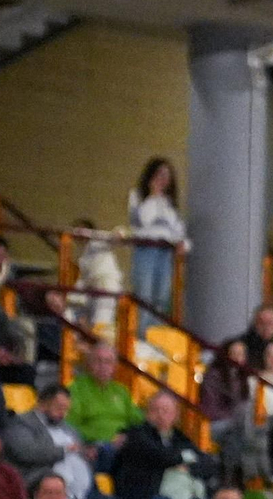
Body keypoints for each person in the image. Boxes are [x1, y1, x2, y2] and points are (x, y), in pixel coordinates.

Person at [4, 384, 129, 499]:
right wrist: (64, 450)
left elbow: (79, 451)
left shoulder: (68, 428)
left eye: (66, 409)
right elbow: (26, 452)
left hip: (81, 491)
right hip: (45, 489)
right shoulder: (22, 423)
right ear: (42, 404)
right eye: (59, 407)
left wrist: (87, 454)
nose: (62, 413)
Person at [112, 392, 209, 499]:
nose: (160, 415)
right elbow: (160, 456)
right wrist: (183, 459)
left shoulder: (180, 438)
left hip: (183, 498)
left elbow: (207, 463)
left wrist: (188, 468)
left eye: (166, 411)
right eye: (155, 410)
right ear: (146, 413)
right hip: (147, 497)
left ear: (175, 415)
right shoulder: (136, 435)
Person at [128, 157, 186, 321]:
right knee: (144, 295)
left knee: (162, 296)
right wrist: (153, 197)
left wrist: (182, 243)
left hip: (166, 251)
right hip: (146, 248)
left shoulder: (169, 203)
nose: (163, 179)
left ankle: (156, 332)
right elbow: (140, 222)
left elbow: (176, 228)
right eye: (160, 174)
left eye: (167, 176)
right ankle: (142, 333)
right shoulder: (138, 196)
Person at [67, 344, 142, 447]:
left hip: (124, 445)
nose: (103, 366)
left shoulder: (121, 390)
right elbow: (69, 426)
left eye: (108, 362)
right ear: (89, 364)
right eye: (98, 361)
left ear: (115, 366)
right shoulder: (76, 388)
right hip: (94, 445)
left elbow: (138, 420)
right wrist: (106, 439)